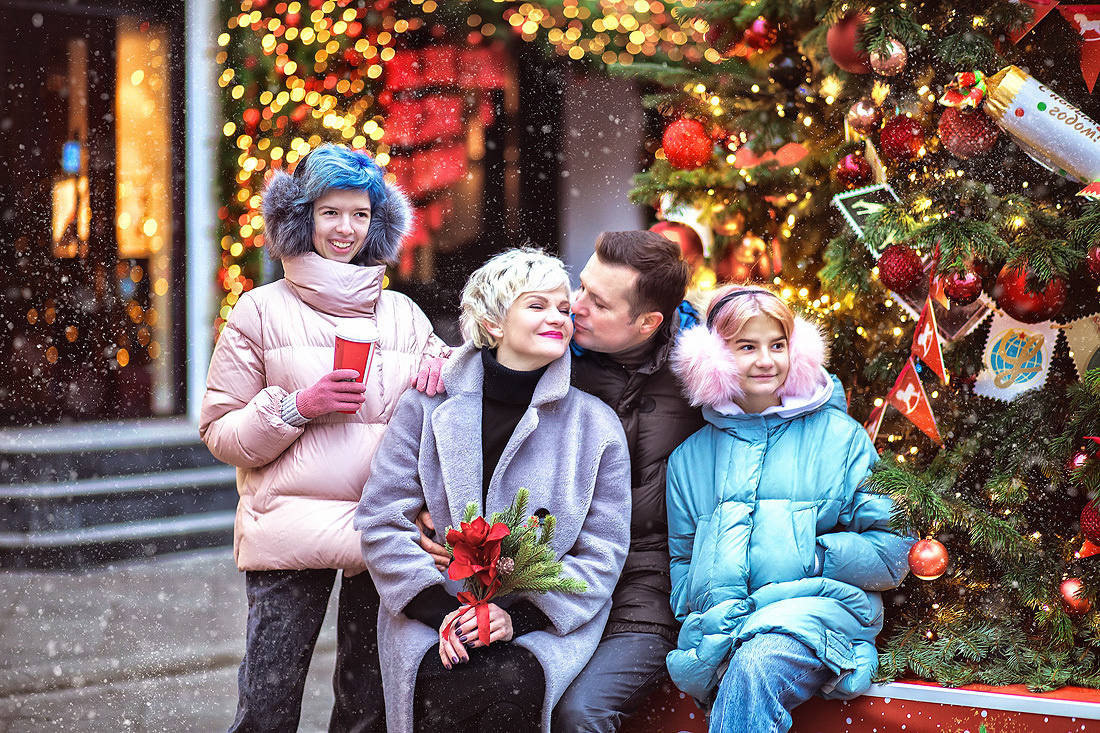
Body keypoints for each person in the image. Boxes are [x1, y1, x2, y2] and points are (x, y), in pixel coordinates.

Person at [199, 143, 447, 733]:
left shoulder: (404, 316)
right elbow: (220, 432)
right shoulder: (259, 311)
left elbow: (445, 414)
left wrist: (445, 372)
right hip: (290, 530)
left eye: (360, 213)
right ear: (301, 217)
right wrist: (297, 407)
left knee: (369, 707)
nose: (346, 229)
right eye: (330, 212)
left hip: (384, 530)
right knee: (269, 704)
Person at [354, 248, 632, 733]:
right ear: (493, 323)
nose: (558, 317)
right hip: (432, 617)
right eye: (537, 305)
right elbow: (381, 521)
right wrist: (443, 613)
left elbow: (603, 551)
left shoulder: (596, 426)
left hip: (540, 626)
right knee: (456, 677)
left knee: (511, 681)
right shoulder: (426, 405)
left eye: (563, 307)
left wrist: (516, 620)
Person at [664, 285, 914, 733]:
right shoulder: (688, 459)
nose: (766, 360)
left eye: (777, 345)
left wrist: (817, 557)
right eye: (747, 347)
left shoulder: (840, 438)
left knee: (754, 667)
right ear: (712, 356)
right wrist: (704, 609)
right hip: (726, 627)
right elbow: (682, 558)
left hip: (815, 612)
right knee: (742, 666)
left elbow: (893, 547)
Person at [552, 230, 706, 733]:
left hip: (650, 583)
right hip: (555, 573)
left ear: (648, 322)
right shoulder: (549, 353)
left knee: (581, 713)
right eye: (581, 286)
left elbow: (795, 397)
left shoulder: (706, 370)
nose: (575, 305)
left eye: (598, 303)